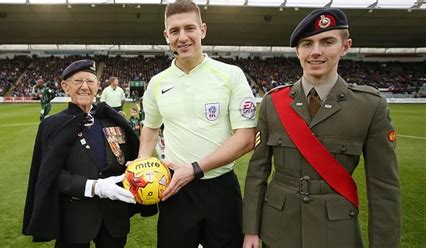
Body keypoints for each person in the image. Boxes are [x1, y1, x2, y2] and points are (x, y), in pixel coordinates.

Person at [242, 8, 401, 248]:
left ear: (345, 46)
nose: (316, 52)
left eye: (327, 42)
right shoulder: (273, 103)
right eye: (307, 44)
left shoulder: (370, 106)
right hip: (278, 231)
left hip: (337, 234)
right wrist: (251, 230)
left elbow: (384, 188)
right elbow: (257, 173)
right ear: (297, 50)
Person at [138, 1, 256, 247]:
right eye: (174, 31)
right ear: (166, 36)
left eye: (189, 28)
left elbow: (245, 138)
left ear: (202, 30)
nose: (182, 37)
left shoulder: (230, 74)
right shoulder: (157, 83)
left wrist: (194, 169)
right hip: (175, 191)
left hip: (221, 188)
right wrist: (141, 163)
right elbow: (150, 127)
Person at [22, 59, 157, 247]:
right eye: (78, 81)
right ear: (65, 86)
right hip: (74, 219)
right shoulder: (52, 126)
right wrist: (94, 187)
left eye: (90, 81)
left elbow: (132, 156)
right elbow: (50, 175)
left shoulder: (113, 119)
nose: (84, 87)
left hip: (114, 217)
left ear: (98, 86)